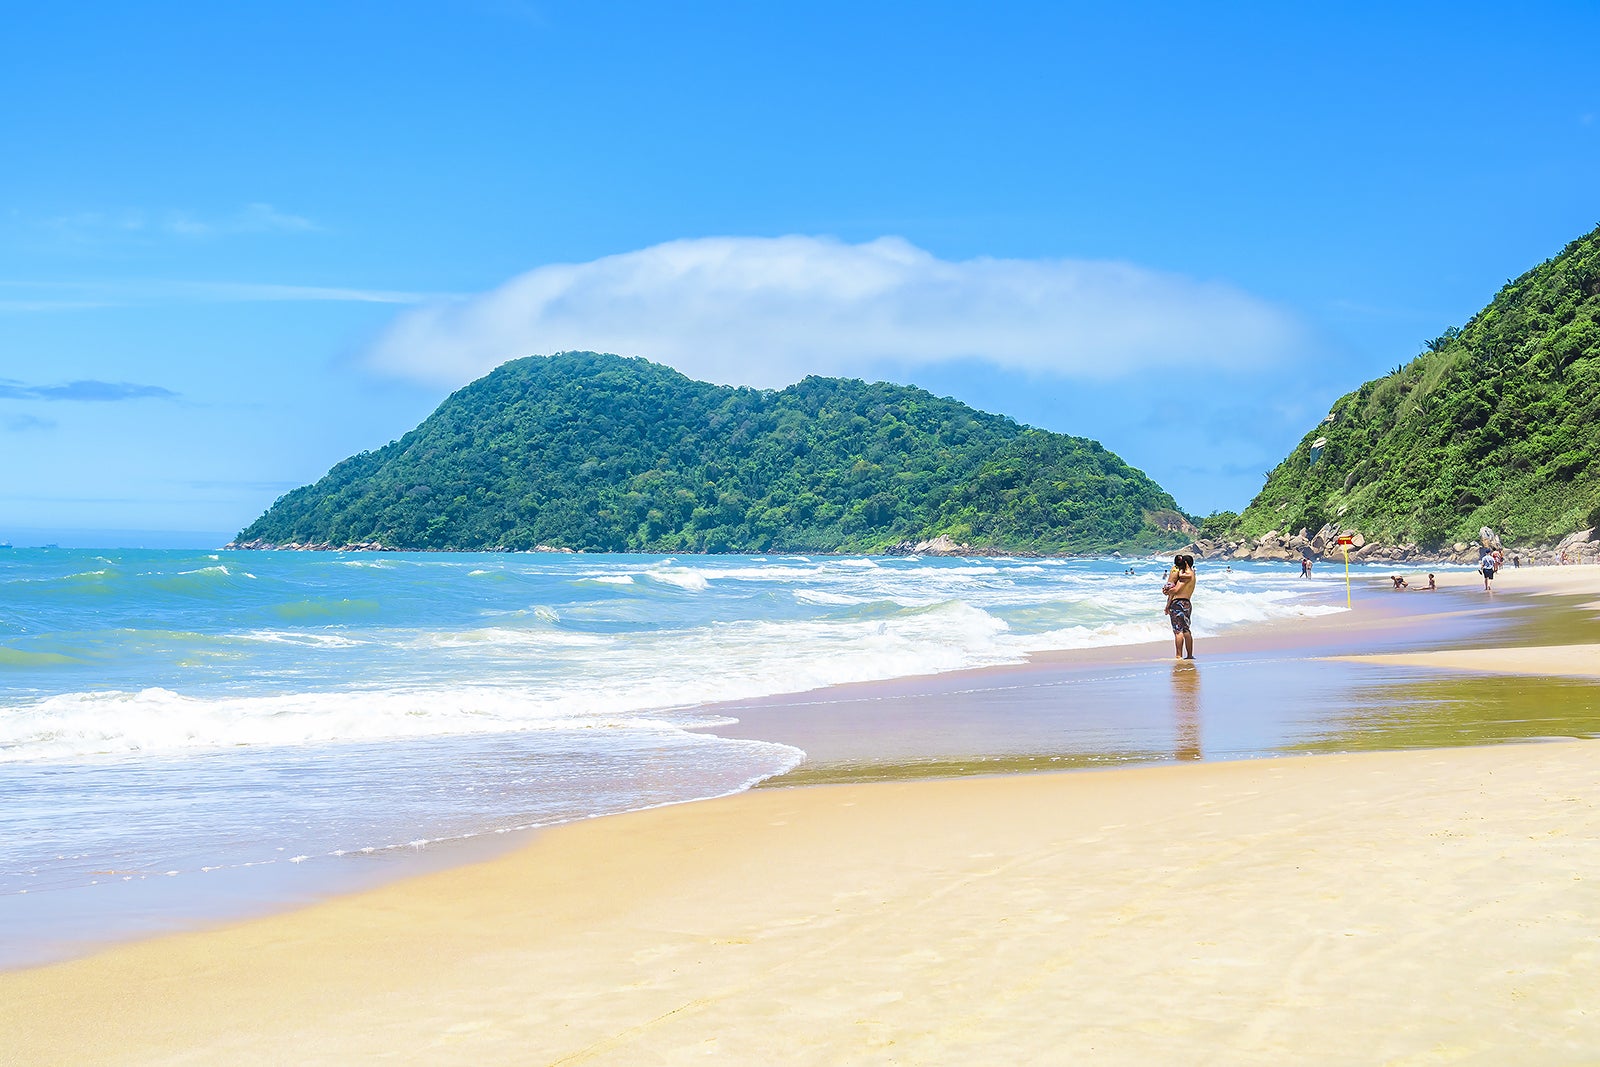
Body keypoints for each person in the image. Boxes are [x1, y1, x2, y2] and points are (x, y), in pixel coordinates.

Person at [1163, 553, 1197, 659]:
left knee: (1178, 631)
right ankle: (1190, 655)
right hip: (1187, 603)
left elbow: (1176, 590)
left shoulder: (1185, 576)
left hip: (1178, 603)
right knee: (1186, 629)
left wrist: (1167, 591)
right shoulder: (1192, 575)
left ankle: (1178, 655)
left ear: (1185, 563)